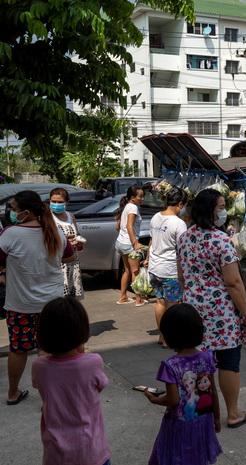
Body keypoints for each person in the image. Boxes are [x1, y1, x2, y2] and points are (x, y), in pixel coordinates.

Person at [177, 188, 246, 428]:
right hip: (221, 311)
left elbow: (181, 277)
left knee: (201, 363)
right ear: (209, 211)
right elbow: (233, 282)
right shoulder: (221, 240)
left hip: (193, 311)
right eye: (221, 207)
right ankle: (232, 413)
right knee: (229, 361)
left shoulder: (185, 238)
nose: (224, 212)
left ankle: (207, 413)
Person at [0, 190, 73, 405]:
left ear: (26, 212)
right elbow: (70, 257)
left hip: (20, 305)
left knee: (18, 349)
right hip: (52, 304)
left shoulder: (10, 234)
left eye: (13, 208)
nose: (11, 212)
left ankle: (13, 392)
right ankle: (49, 399)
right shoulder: (56, 232)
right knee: (48, 351)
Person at [32, 298, 111, 465]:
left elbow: (42, 389)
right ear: (82, 331)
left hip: (55, 452)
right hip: (91, 450)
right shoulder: (93, 362)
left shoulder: (39, 366)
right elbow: (99, 386)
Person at [144, 303, 222, 465]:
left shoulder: (171, 365)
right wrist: (217, 417)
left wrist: (155, 399)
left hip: (179, 426)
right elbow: (212, 391)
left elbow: (173, 400)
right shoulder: (207, 357)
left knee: (175, 458)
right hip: (203, 421)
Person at [149, 187, 188, 347]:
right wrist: (183, 275)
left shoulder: (155, 217)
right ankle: (169, 339)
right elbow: (182, 252)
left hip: (155, 267)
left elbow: (152, 241)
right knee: (173, 305)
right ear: (180, 204)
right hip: (170, 270)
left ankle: (162, 336)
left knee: (160, 302)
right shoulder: (179, 224)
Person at [50, 187, 85, 299]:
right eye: (53, 201)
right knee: (58, 298)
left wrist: (79, 242)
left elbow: (77, 233)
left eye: (60, 202)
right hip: (56, 263)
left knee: (72, 299)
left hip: (73, 262)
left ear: (66, 202)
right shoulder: (47, 218)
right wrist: (64, 241)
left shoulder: (71, 216)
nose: (56, 204)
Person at [115, 185, 146, 306]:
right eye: (140, 196)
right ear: (132, 197)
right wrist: (135, 243)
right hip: (129, 244)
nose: (142, 199)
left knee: (127, 270)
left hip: (121, 242)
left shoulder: (127, 206)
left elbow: (119, 226)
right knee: (135, 271)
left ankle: (123, 297)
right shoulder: (133, 207)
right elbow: (129, 226)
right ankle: (138, 299)